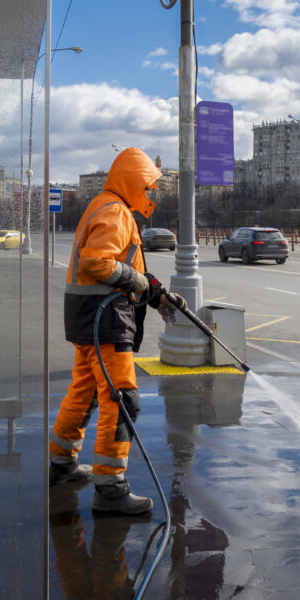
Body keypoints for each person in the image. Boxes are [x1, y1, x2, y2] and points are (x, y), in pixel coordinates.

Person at [49, 147, 183, 515]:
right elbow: (97, 262)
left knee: (85, 390)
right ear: (132, 180)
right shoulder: (115, 211)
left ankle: (61, 464)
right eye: (148, 184)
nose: (150, 192)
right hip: (103, 321)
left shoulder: (105, 205)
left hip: (87, 317)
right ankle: (111, 487)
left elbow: (125, 265)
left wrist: (156, 293)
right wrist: (139, 280)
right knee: (122, 399)